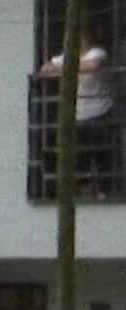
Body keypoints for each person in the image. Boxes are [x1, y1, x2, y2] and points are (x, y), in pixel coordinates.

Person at [41, 20, 116, 192]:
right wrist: (67, 68)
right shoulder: (68, 56)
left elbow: (92, 66)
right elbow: (45, 69)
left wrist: (63, 69)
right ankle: (81, 189)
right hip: (78, 115)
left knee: (101, 154)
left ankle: (104, 189)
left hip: (100, 112)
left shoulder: (97, 52)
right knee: (78, 155)